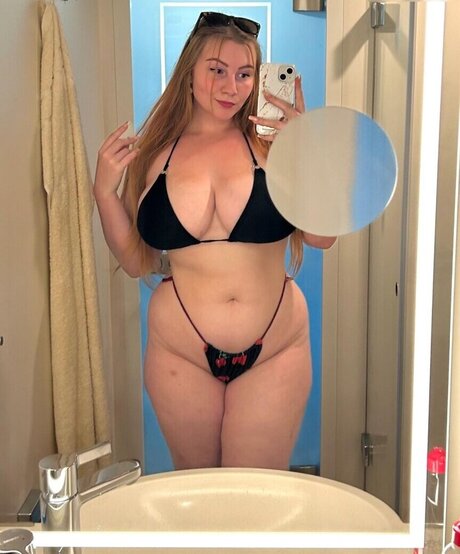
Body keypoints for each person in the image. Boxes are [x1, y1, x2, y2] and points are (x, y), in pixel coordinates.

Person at [94, 12, 336, 471]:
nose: (231, 87)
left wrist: (306, 149)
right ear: (190, 72)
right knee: (199, 492)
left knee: (253, 491)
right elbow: (136, 262)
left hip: (275, 348)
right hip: (180, 351)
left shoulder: (273, 147)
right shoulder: (152, 155)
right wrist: (103, 193)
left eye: (245, 73)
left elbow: (322, 237)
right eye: (217, 70)